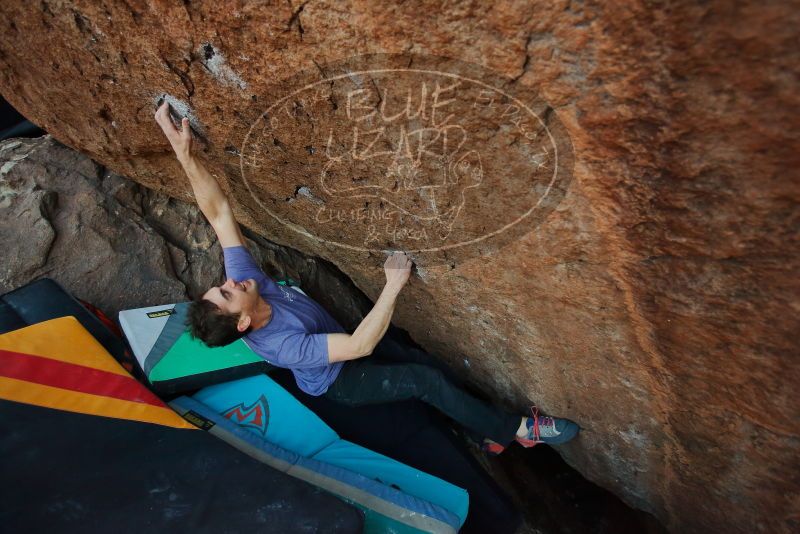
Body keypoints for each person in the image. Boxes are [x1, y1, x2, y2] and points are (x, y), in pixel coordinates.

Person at [154, 101, 579, 453]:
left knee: (426, 364)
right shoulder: (283, 347)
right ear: (243, 322)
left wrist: (184, 155)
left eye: (223, 285)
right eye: (228, 293)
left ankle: (488, 430)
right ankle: (520, 430)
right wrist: (393, 285)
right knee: (423, 381)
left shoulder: (247, 284)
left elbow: (218, 213)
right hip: (341, 379)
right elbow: (358, 346)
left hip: (341, 341)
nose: (232, 281)